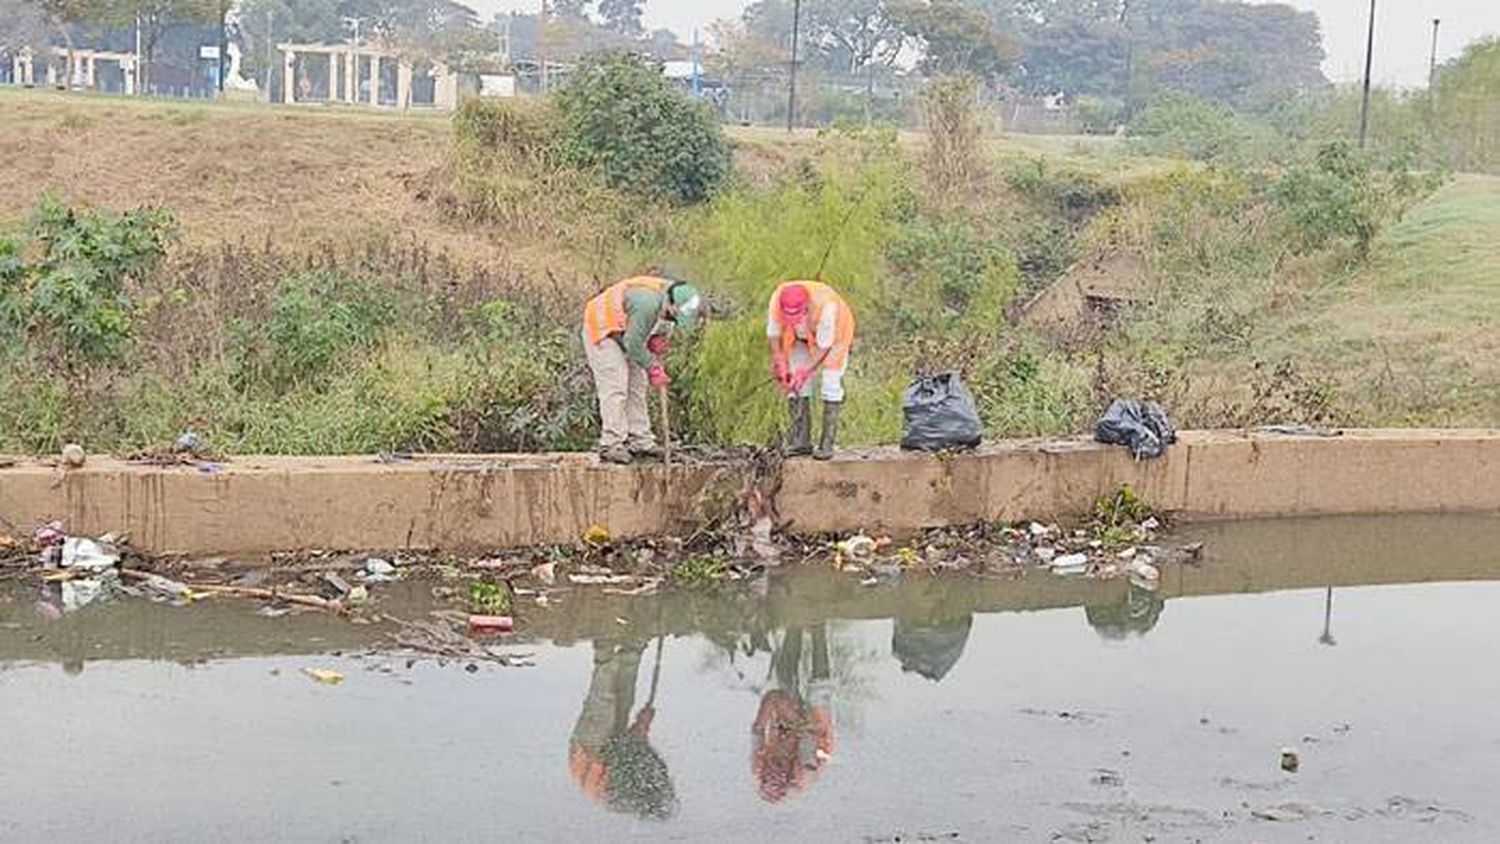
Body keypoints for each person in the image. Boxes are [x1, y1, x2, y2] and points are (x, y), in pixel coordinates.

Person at [582, 275, 702, 465]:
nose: (675, 320)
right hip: (603, 328)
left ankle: (641, 441)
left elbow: (651, 330)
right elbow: (633, 343)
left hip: (627, 330)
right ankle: (611, 444)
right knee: (616, 385)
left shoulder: (672, 301)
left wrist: (657, 339)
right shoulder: (647, 303)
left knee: (637, 385)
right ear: (670, 303)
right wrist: (652, 367)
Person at [766, 281, 855, 460]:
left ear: (806, 308)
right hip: (799, 336)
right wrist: (780, 361)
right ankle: (800, 441)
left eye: (797, 317)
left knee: (830, 381)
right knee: (795, 382)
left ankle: (827, 444)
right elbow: (774, 334)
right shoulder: (777, 299)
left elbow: (823, 348)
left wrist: (805, 372)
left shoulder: (826, 308)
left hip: (834, 337)